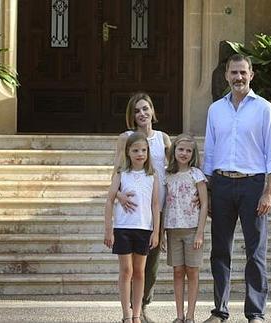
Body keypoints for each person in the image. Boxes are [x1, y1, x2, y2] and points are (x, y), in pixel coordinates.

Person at [202, 54, 271, 323]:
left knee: (255, 252)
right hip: (222, 184)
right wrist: (209, 192)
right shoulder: (216, 110)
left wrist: (269, 191)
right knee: (220, 252)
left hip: (253, 184)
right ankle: (219, 311)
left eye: (243, 72)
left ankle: (255, 313)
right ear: (226, 76)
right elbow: (210, 153)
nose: (238, 77)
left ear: (251, 75)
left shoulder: (264, 109)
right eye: (234, 73)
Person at [113, 92, 171, 323]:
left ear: (152, 111)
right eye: (137, 110)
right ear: (132, 115)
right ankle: (130, 311)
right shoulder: (125, 138)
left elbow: (177, 167)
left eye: (146, 108)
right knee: (130, 266)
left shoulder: (163, 138)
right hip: (132, 210)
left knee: (152, 262)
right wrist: (117, 195)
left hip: (158, 207)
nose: (142, 114)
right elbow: (115, 172)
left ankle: (143, 305)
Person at [104, 132, 161, 323]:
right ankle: (126, 314)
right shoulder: (121, 174)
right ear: (128, 152)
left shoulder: (152, 176)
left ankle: (137, 314)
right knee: (126, 270)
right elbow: (110, 200)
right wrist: (108, 229)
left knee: (139, 271)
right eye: (135, 150)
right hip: (123, 228)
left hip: (144, 229)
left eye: (144, 150)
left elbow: (155, 205)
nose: (140, 154)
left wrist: (155, 232)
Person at [162, 134, 208, 323]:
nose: (184, 153)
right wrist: (162, 233)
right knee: (178, 271)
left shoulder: (196, 174)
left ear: (193, 154)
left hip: (192, 230)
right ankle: (179, 315)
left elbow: (204, 204)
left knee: (192, 271)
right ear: (174, 151)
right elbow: (163, 204)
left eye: (189, 150)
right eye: (181, 149)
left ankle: (190, 315)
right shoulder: (167, 175)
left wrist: (200, 232)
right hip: (173, 230)